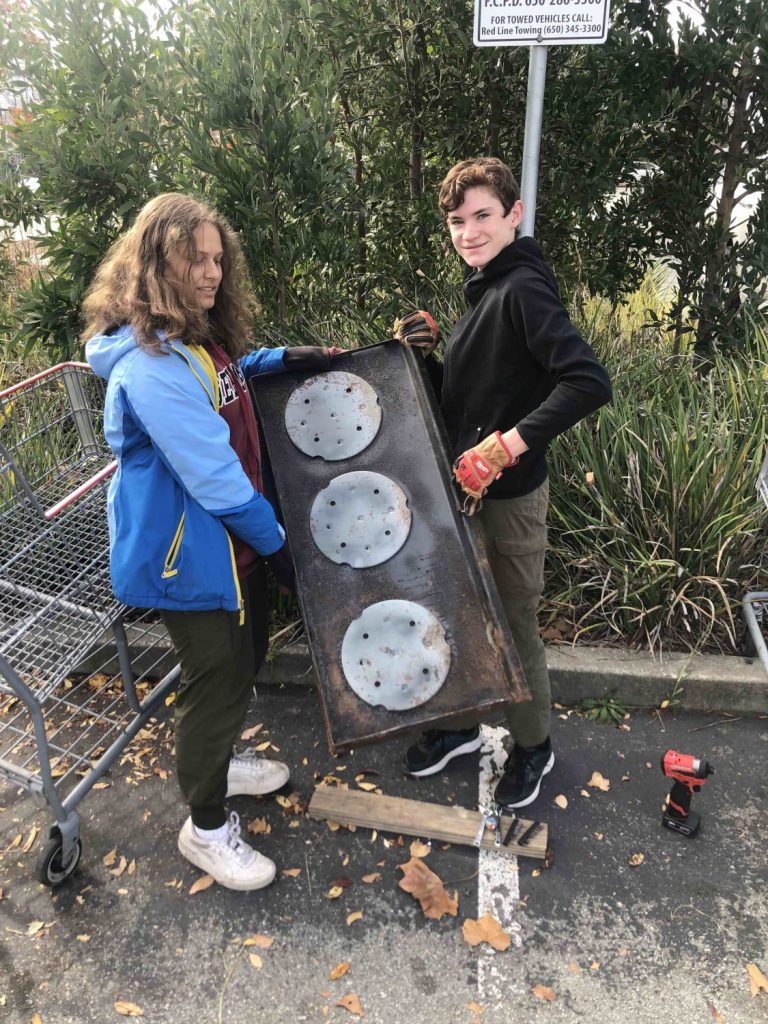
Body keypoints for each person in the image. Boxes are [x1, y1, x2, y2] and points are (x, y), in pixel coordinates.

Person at [84, 193, 336, 890]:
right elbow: (218, 482)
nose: (211, 272)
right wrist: (286, 550)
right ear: (156, 262)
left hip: (231, 546)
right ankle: (204, 824)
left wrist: (280, 359)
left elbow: (223, 382)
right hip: (191, 556)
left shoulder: (191, 339)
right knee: (217, 677)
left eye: (218, 258)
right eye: (194, 258)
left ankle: (222, 760)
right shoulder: (149, 366)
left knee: (247, 654)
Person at [397, 158, 612, 809]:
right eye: (458, 221)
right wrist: (427, 359)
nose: (469, 231)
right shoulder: (487, 291)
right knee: (463, 613)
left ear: (514, 214)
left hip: (510, 501)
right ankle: (463, 726)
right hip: (465, 495)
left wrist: (508, 446)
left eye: (483, 216)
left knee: (514, 625)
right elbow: (468, 405)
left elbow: (587, 381)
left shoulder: (522, 289)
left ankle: (534, 746)